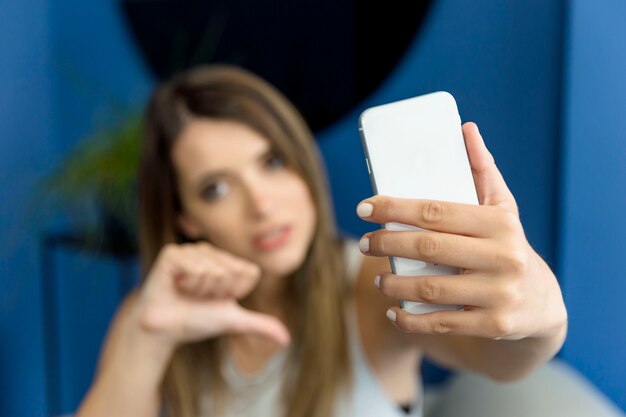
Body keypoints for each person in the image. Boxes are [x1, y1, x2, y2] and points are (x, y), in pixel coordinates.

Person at [76, 64, 569, 417]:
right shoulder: (153, 314)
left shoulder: (375, 284)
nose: (262, 204)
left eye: (271, 163)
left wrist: (540, 312)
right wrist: (148, 338)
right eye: (217, 188)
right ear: (187, 220)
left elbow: (497, 359)